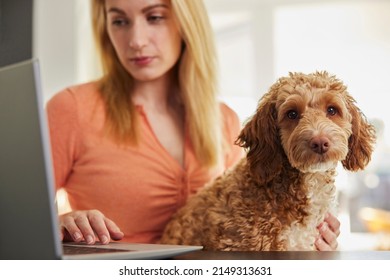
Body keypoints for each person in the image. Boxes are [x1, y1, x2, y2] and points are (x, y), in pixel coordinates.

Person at [46, 0, 340, 251]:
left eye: (155, 17)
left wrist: (308, 244)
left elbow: (248, 220)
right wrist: (57, 224)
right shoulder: (72, 109)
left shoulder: (224, 120)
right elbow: (16, 219)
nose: (135, 39)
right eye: (119, 21)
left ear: (186, 21)